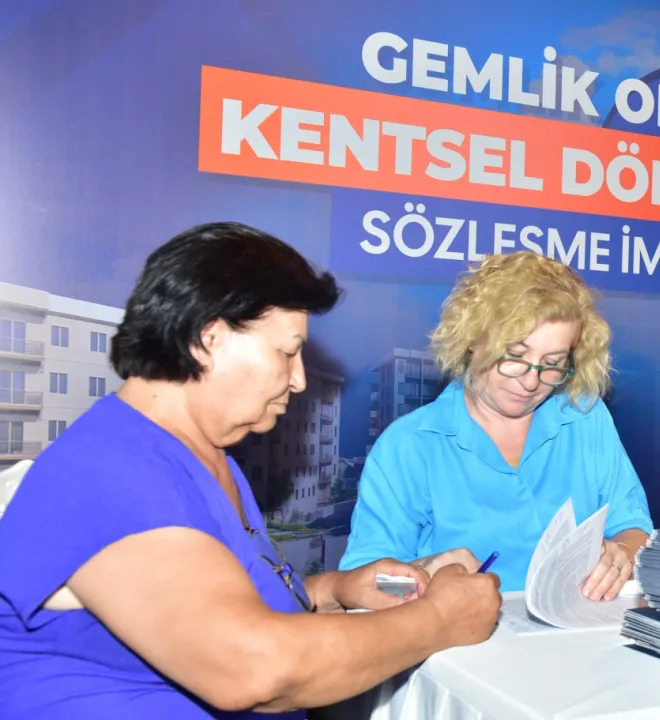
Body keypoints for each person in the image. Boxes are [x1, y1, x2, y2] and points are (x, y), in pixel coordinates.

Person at [0, 223, 500, 719]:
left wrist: (336, 591)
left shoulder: (207, 459)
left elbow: (219, 606)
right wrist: (439, 618)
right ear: (209, 339)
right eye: (287, 352)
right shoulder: (107, 472)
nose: (299, 379)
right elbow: (254, 670)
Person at [340, 251, 653, 601]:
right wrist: (425, 572)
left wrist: (621, 554)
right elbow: (362, 584)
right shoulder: (409, 445)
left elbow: (633, 526)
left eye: (552, 363)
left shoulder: (584, 417)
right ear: (473, 340)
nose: (531, 382)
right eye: (515, 356)